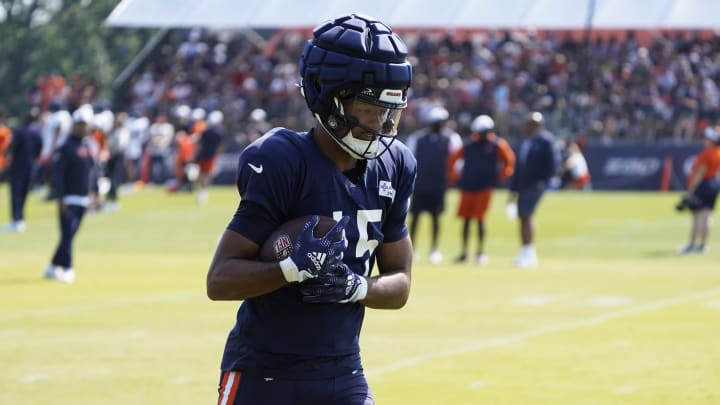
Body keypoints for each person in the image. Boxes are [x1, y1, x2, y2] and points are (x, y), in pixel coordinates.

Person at [206, 13, 415, 405]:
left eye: (390, 110)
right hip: (264, 373)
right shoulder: (283, 160)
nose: (382, 123)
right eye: (370, 109)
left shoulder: (396, 165)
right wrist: (290, 268)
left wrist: (356, 287)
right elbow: (220, 280)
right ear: (328, 96)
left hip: (344, 371)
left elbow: (400, 281)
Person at [448, 114, 515, 266]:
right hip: (467, 186)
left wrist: (501, 177)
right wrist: (455, 177)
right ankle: (464, 253)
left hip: (484, 188)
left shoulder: (498, 144)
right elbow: (453, 159)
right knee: (465, 220)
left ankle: (480, 253)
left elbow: (509, 161)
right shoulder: (469, 144)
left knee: (480, 219)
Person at [42, 105, 95, 283]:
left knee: (71, 234)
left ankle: (52, 265)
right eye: (79, 124)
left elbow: (92, 171)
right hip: (69, 197)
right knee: (67, 234)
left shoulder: (88, 145)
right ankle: (68, 267)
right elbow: (59, 174)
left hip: (83, 197)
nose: (82, 128)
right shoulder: (66, 147)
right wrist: (60, 197)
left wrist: (94, 192)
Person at [404, 106, 462, 264]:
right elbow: (410, 160)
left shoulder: (452, 138)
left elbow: (457, 162)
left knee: (436, 217)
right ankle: (412, 250)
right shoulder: (418, 137)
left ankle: (434, 249)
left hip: (439, 185)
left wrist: (450, 180)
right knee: (415, 217)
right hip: (420, 184)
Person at [508, 111, 560, 268]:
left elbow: (553, 164)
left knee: (526, 215)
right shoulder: (526, 141)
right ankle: (525, 251)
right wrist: (513, 188)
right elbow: (519, 166)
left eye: (529, 124)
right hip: (523, 184)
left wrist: (542, 181)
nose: (526, 126)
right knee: (523, 216)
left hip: (534, 185)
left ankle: (529, 253)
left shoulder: (545, 141)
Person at [677, 126, 720, 254]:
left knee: (698, 216)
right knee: (706, 216)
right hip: (714, 183)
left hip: (703, 184)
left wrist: (690, 191)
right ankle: (703, 246)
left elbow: (699, 173)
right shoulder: (718, 152)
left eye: (707, 139)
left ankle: (692, 245)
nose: (704, 140)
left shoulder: (706, 153)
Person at [3, 108, 42, 233]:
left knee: (16, 195)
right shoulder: (36, 133)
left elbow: (11, 146)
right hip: (31, 167)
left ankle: (16, 220)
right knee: (24, 194)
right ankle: (20, 219)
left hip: (17, 167)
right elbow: (39, 149)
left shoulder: (19, 131)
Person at [194, 110, 225, 204]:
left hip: (205, 156)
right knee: (206, 175)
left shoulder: (208, 132)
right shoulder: (218, 132)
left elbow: (199, 144)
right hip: (209, 156)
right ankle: (202, 192)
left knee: (204, 175)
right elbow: (221, 146)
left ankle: (202, 191)